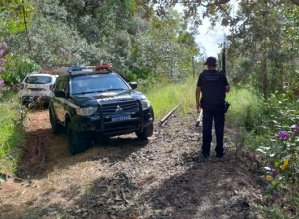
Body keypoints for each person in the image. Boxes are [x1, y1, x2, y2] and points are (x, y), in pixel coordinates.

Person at [195, 56, 230, 158]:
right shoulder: (221, 74)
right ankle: (219, 152)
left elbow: (197, 89)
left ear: (207, 65)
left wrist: (197, 103)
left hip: (207, 106)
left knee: (207, 128)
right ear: (215, 65)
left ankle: (206, 152)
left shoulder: (203, 75)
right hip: (219, 106)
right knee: (219, 128)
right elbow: (227, 89)